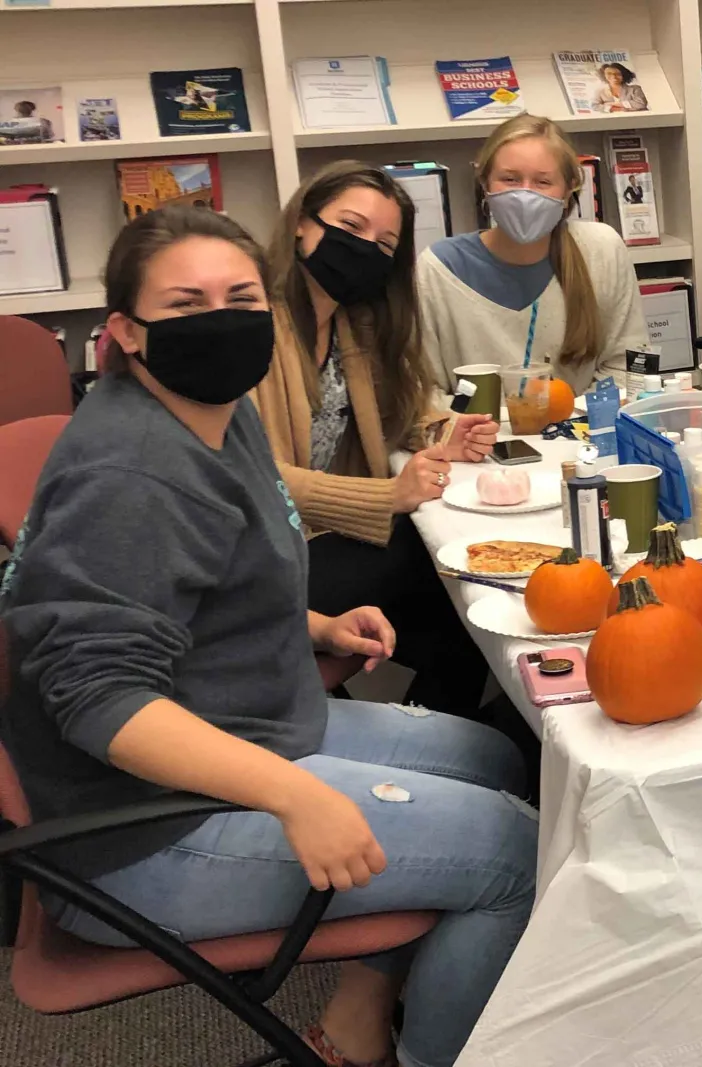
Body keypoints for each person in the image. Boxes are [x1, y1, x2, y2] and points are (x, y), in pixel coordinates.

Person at [0, 205, 540, 1067]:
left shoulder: (216, 412)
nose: (220, 319)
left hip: (240, 716)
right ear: (125, 333)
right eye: (185, 303)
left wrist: (315, 621)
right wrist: (296, 797)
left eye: (239, 295)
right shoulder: (127, 473)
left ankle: (362, 1021)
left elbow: (196, 584)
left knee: (496, 762)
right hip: (134, 828)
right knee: (516, 853)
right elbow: (99, 699)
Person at [254, 160, 495, 718]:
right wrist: (387, 497)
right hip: (265, 557)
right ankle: (448, 748)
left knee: (463, 611)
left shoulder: (347, 322)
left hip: (318, 539)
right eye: (351, 226)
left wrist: (443, 429)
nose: (365, 248)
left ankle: (442, 746)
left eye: (385, 243)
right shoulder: (256, 326)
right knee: (447, 573)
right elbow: (253, 479)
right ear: (301, 224)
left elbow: (389, 413)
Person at [416, 114, 647, 398]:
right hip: (477, 440)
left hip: (580, 435)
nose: (525, 195)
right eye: (510, 179)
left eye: (542, 182)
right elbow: (422, 393)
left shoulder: (602, 249)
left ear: (568, 189)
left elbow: (634, 366)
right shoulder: (438, 268)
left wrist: (571, 426)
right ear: (485, 183)